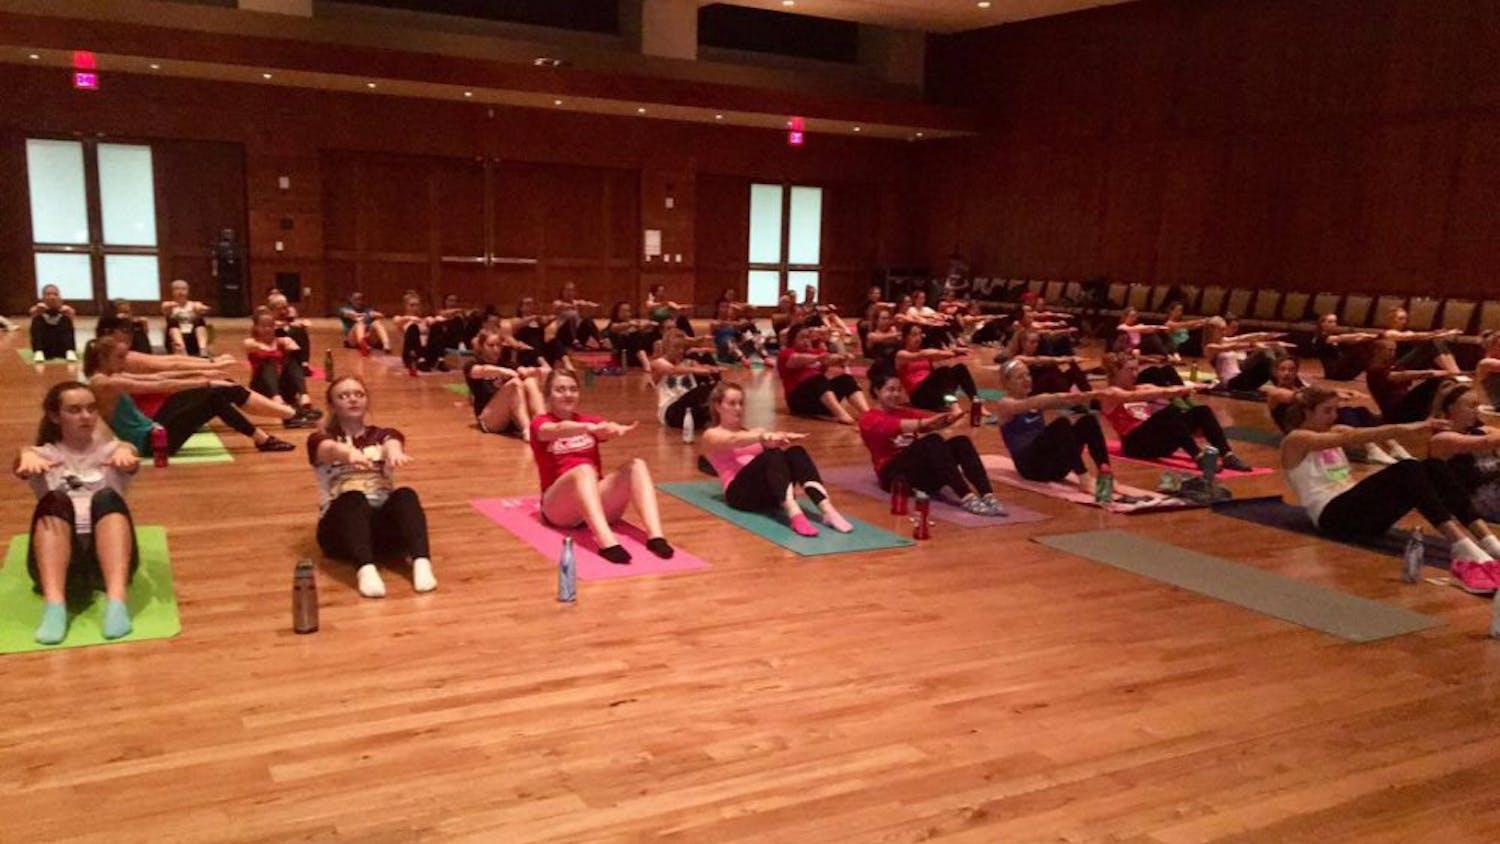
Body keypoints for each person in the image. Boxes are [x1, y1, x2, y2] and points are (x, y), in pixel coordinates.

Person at [1280, 385, 1500, 591]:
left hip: (1361, 516)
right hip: (1333, 518)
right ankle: (1460, 544)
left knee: (1433, 466)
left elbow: (1367, 433)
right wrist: (1409, 427)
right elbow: (1352, 436)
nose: (1334, 416)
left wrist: (1394, 443)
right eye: (1327, 411)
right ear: (1306, 412)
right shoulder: (1296, 440)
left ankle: (1488, 540)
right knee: (1407, 468)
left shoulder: (1333, 430)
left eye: (1335, 410)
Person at [14, 382, 139, 644]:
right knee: (55, 500)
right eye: (74, 410)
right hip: (59, 564)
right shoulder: (44, 455)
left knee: (106, 497)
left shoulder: (111, 450)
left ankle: (117, 604)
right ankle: (55, 607)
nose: (86, 416)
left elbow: (127, 449)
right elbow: (23, 459)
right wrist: (24, 457)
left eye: (91, 409)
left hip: (105, 560)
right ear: (54, 416)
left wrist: (128, 453)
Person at [528, 370, 674, 565]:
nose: (568, 394)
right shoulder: (540, 422)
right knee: (583, 470)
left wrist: (614, 429)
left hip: (595, 500)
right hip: (559, 508)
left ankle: (656, 536)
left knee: (637, 465)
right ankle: (607, 543)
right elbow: (553, 431)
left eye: (572, 389)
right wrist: (589, 428)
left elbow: (605, 429)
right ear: (549, 395)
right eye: (560, 390)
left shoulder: (590, 420)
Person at [308, 376, 435, 598]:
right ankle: (365, 569)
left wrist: (394, 452)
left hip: (381, 530)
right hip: (341, 531)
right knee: (353, 497)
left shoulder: (382, 434)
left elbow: (392, 443)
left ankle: (421, 563)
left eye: (359, 394)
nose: (352, 400)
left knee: (406, 494)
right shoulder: (320, 438)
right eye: (343, 396)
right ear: (332, 405)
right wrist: (348, 453)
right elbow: (329, 449)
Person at [85, 335, 303, 456]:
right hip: (152, 444)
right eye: (120, 357)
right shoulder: (106, 383)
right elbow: (162, 383)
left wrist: (205, 375)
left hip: (154, 430)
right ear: (103, 358)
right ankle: (263, 440)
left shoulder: (103, 379)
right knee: (214, 397)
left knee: (212, 394)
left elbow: (159, 379)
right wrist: (207, 380)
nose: (125, 362)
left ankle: (262, 439)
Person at [701, 381, 854, 535]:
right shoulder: (711, 435)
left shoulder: (755, 432)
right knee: (771, 454)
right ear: (718, 406)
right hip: (740, 496)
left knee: (795, 452)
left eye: (741, 403)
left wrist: (783, 438)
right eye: (732, 403)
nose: (738, 408)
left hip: (769, 495)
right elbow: (733, 440)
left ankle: (827, 509)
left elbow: (776, 458)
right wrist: (763, 437)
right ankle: (795, 514)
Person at [858, 369, 1005, 515]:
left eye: (898, 390)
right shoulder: (869, 419)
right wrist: (927, 422)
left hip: (918, 474)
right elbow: (908, 425)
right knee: (932, 441)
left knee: (961, 442)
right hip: (894, 477)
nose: (896, 394)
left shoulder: (903, 411)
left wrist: (948, 420)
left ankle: (987, 494)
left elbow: (932, 422)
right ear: (876, 391)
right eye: (890, 390)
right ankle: (967, 497)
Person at [1099, 353, 1253, 471]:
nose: (1135, 374)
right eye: (1130, 369)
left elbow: (1161, 390)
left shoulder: (1141, 387)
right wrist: (1169, 392)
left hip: (1156, 442)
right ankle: (1199, 457)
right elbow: (1134, 396)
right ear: (1116, 371)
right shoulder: (1109, 394)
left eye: (1136, 369)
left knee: (1201, 411)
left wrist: (1190, 388)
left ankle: (1227, 455)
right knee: (1168, 413)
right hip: (1135, 446)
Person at [1262, 356, 1406, 464]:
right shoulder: (1275, 392)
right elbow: (1302, 397)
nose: (1287, 373)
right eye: (1283, 369)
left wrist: (1344, 391)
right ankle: (1371, 448)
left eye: (1291, 369)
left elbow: (1315, 391)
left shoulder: (1299, 386)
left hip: (1312, 423)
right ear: (1275, 372)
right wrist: (1334, 395)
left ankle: (1394, 446)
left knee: (1361, 412)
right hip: (1296, 429)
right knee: (1344, 414)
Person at [994, 360, 1110, 491]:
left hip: (1053, 465)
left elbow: (1063, 402)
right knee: (1061, 424)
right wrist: (1054, 399)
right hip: (1031, 467)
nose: (1026, 380)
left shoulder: (1033, 401)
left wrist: (1088, 396)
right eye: (1020, 377)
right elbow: (1027, 405)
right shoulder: (1004, 404)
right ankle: (1084, 478)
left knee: (1088, 421)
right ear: (1006, 383)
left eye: (1028, 375)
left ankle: (1106, 474)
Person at [1430, 382, 1500, 524]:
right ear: (1451, 408)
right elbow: (1487, 442)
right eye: (1471, 406)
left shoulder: (1483, 430)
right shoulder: (1441, 439)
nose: (1477, 411)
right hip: (1473, 503)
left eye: (1477, 406)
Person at [777, 324, 869, 424]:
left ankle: (867, 413)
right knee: (817, 379)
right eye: (802, 337)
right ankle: (841, 414)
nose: (806, 341)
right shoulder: (786, 353)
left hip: (819, 399)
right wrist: (819, 358)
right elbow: (796, 359)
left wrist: (842, 358)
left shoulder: (817, 352)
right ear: (793, 340)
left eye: (808, 337)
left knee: (846, 379)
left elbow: (829, 359)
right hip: (799, 401)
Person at [464, 328, 543, 438]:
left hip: (509, 419)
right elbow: (481, 371)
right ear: (482, 347)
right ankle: (527, 429)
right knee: (514, 384)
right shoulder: (472, 364)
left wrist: (532, 372)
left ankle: (543, 423)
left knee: (529, 382)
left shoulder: (507, 363)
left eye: (498, 346)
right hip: (489, 419)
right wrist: (503, 371)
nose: (496, 349)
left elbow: (523, 371)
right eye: (491, 346)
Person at [244, 311, 320, 421]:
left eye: (271, 326)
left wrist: (292, 338)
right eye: (263, 326)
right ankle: (276, 397)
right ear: (256, 327)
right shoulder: (250, 342)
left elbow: (298, 353)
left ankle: (304, 394)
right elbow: (265, 350)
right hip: (263, 387)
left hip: (284, 387)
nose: (268, 329)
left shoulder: (282, 340)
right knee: (268, 361)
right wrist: (281, 343)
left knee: (291, 360)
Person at [894, 324, 981, 415]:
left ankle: (978, 404)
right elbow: (921, 355)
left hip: (933, 394)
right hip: (919, 397)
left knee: (960, 368)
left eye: (920, 334)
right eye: (914, 334)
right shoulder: (901, 354)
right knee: (942, 370)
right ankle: (954, 407)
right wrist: (953, 352)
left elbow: (939, 364)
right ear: (905, 337)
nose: (918, 338)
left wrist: (955, 353)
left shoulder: (926, 353)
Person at [1364, 339, 1456, 424]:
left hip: (1403, 406)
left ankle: (1456, 375)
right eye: (1389, 350)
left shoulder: (1390, 367)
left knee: (1434, 343)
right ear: (1377, 351)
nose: (1393, 353)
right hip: (1397, 413)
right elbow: (1403, 376)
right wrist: (1441, 372)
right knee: (1436, 382)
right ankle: (1436, 415)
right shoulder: (1375, 370)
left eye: (1394, 350)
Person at [649, 330, 720, 430]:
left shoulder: (689, 362)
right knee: (701, 391)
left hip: (690, 409)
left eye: (682, 347)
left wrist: (711, 369)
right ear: (666, 347)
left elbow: (705, 366)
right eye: (676, 347)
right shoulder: (657, 363)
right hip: (670, 411)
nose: (681, 351)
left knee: (716, 390)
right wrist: (696, 370)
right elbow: (672, 370)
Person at [1201, 315, 1293, 392]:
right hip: (1232, 384)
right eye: (1221, 330)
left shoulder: (1223, 340)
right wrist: (1252, 344)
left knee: (1276, 348)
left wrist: (1266, 335)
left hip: (1242, 377)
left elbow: (1243, 337)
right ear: (1212, 330)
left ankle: (1291, 382)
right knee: (1264, 353)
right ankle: (1282, 384)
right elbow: (1232, 347)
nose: (1224, 332)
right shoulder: (1209, 347)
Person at [1381, 306, 1462, 374]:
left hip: (1411, 362)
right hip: (1397, 365)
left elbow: (1416, 335)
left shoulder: (1407, 332)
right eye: (1400, 319)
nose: (1404, 322)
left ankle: (1455, 371)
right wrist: (1440, 334)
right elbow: (1415, 336)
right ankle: (1454, 373)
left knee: (1437, 341)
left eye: (1405, 319)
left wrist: (1439, 334)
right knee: (1430, 342)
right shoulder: (1389, 333)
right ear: (1391, 320)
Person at [1310, 313, 1379, 381]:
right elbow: (1341, 337)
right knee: (1360, 349)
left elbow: (1355, 340)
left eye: (1335, 322)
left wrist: (1371, 337)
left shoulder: (1332, 337)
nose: (1333, 324)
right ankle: (1375, 374)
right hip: (1334, 373)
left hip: (1343, 370)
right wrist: (1361, 334)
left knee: (1364, 345)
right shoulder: (1321, 338)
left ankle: (1375, 373)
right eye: (1330, 322)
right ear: (1322, 323)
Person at [393, 291, 447, 373]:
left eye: (417, 305)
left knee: (437, 326)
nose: (415, 307)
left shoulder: (424, 319)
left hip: (426, 352)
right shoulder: (401, 318)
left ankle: (440, 360)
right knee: (413, 327)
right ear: (405, 306)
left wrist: (435, 321)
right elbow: (397, 321)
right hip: (411, 354)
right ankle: (420, 360)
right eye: (412, 305)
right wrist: (410, 318)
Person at [161, 279, 212, 357]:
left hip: (192, 340)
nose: (180, 292)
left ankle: (203, 350)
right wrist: (175, 305)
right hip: (175, 341)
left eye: (183, 289)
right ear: (172, 291)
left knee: (199, 322)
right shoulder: (168, 305)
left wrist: (201, 309)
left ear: (188, 291)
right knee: (173, 323)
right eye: (177, 289)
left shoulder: (194, 304)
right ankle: (182, 351)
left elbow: (202, 308)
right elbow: (165, 308)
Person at [29, 284, 78, 362]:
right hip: (45, 347)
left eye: (55, 294)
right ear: (43, 297)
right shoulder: (38, 309)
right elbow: (32, 314)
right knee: (37, 320)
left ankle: (70, 351)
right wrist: (39, 311)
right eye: (48, 294)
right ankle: (38, 352)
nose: (52, 297)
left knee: (66, 320)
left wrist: (66, 312)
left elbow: (72, 318)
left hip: (61, 346)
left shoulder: (66, 310)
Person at [266, 291, 313, 373]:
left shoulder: (288, 314)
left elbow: (289, 323)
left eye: (285, 308)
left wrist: (297, 324)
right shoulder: (266, 317)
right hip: (273, 339)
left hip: (286, 336)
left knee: (300, 331)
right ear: (272, 309)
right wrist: (288, 326)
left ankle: (304, 363)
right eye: (280, 308)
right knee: (292, 332)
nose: (283, 311)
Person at [553, 282, 606, 350]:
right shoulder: (557, 302)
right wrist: (573, 306)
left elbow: (589, 304)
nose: (570, 293)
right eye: (567, 290)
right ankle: (575, 341)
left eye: (572, 290)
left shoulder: (577, 302)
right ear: (562, 292)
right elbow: (561, 306)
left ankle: (600, 342)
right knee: (571, 316)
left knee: (587, 320)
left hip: (578, 336)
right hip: (564, 335)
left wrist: (597, 306)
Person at [604, 302, 653, 368]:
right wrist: (632, 324)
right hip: (623, 356)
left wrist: (647, 326)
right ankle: (646, 363)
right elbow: (617, 327)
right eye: (624, 311)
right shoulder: (613, 325)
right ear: (617, 313)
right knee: (635, 335)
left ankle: (650, 361)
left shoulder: (632, 326)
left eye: (628, 311)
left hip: (636, 356)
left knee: (646, 335)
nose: (627, 314)